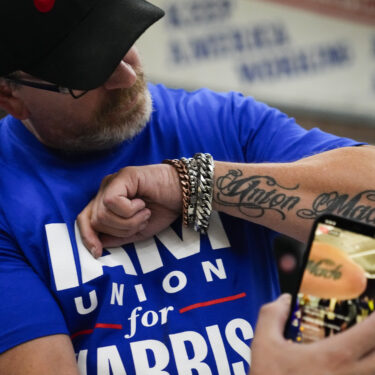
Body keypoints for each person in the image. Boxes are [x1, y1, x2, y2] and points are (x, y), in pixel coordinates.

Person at [0, 0, 374, 374]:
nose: (126, 76)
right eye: (88, 73)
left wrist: (193, 183)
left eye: (121, 41)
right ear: (11, 97)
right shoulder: (8, 195)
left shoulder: (219, 121)